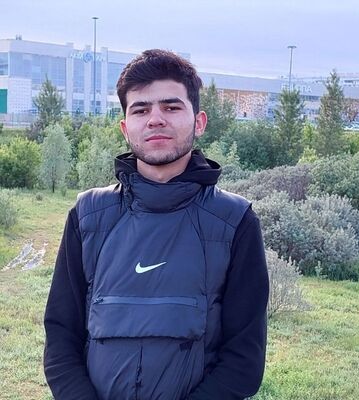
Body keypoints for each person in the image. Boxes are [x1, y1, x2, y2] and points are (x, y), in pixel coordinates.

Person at [44, 49, 269, 400]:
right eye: (141, 109)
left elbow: (244, 360)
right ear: (125, 127)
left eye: (171, 107)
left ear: (199, 122)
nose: (155, 119)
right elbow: (61, 336)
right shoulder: (88, 216)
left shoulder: (234, 221)